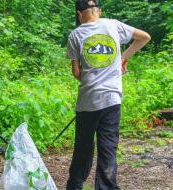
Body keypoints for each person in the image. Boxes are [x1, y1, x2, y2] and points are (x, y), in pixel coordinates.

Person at [66, 0, 151, 190]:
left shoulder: (75, 35)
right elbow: (144, 37)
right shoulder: (114, 25)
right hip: (112, 99)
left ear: (80, 15)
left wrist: (92, 79)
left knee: (83, 148)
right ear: (99, 11)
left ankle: (74, 186)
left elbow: (76, 73)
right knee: (108, 148)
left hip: (88, 102)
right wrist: (123, 58)